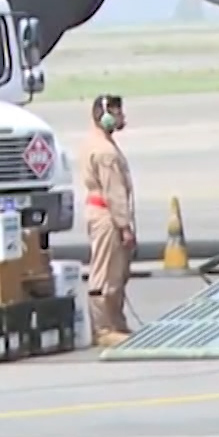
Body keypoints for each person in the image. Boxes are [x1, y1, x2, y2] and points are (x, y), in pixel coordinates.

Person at [79, 94, 136, 350]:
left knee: (116, 271)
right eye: (118, 112)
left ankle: (116, 323)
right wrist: (124, 226)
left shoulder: (95, 142)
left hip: (102, 211)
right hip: (107, 215)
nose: (122, 118)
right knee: (106, 272)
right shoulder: (105, 152)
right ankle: (103, 328)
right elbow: (115, 192)